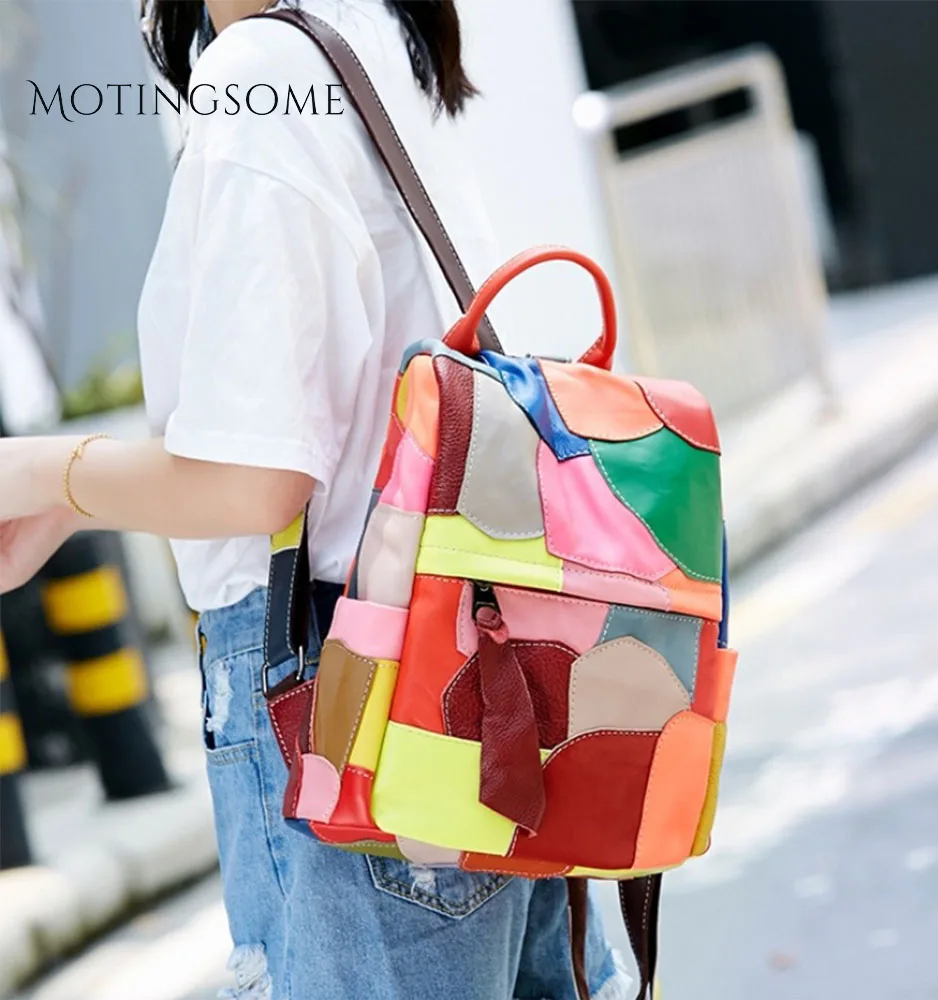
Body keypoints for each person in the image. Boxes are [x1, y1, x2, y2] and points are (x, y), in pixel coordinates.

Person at [0, 2, 630, 998]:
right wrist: (78, 500)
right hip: (483, 666)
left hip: (344, 687)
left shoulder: (260, 73)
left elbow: (258, 483)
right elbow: (325, 424)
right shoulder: (374, 30)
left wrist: (35, 471)